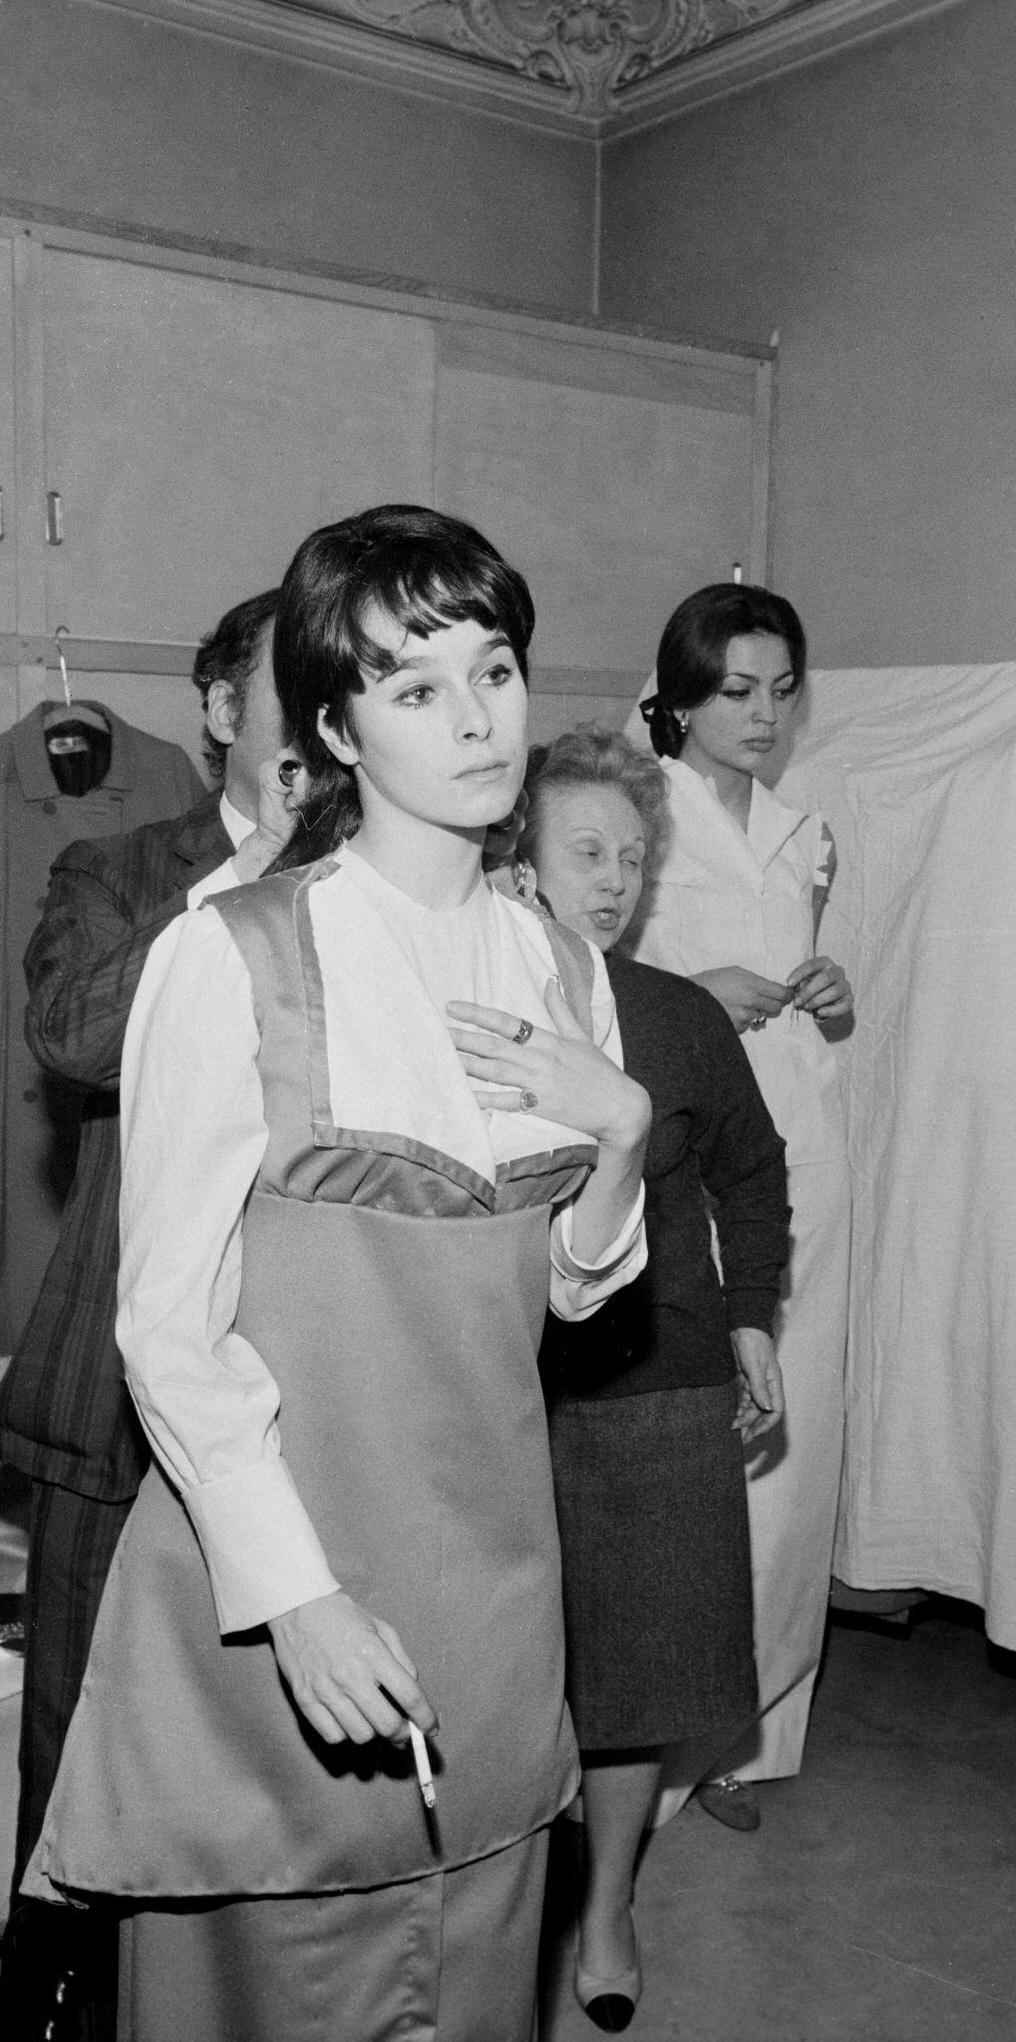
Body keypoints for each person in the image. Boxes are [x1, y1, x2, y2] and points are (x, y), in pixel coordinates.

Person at [21, 506, 651, 2042]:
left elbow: (575, 1297)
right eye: (415, 685)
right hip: (283, 1590)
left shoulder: (558, 962)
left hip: (496, 1594)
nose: (478, 714)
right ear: (335, 725)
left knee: (480, 1982)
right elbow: (163, 1323)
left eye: (491, 667)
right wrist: (294, 1594)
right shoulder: (230, 950)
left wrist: (621, 1137)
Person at [0, 589, 301, 2036]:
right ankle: (45, 1982)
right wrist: (247, 886)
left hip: (311, 1395)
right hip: (122, 1383)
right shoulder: (119, 868)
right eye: (280, 682)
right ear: (221, 711)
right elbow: (72, 1035)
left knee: (267, 1737)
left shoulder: (403, 888)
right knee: (74, 1727)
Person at [500, 727, 790, 2028]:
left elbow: (752, 1164)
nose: (613, 877)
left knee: (631, 1676)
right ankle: (502, 1912)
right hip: (496, 1388)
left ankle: (608, 1898)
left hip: (655, 1378)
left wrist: (752, 1321)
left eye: (633, 854)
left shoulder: (676, 1015)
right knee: (505, 1671)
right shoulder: (470, 1013)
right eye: (587, 850)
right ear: (522, 855)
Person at [630, 583, 853, 1830]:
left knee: (795, 1444)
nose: (762, 714)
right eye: (735, 690)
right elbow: (575, 965)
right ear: (679, 695)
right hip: (689, 1153)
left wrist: (827, 988)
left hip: (808, 1146)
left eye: (779, 689)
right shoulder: (634, 812)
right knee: (690, 1438)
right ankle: (649, 1743)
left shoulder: (800, 826)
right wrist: (687, 988)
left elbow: (815, 1003)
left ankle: (751, 1733)